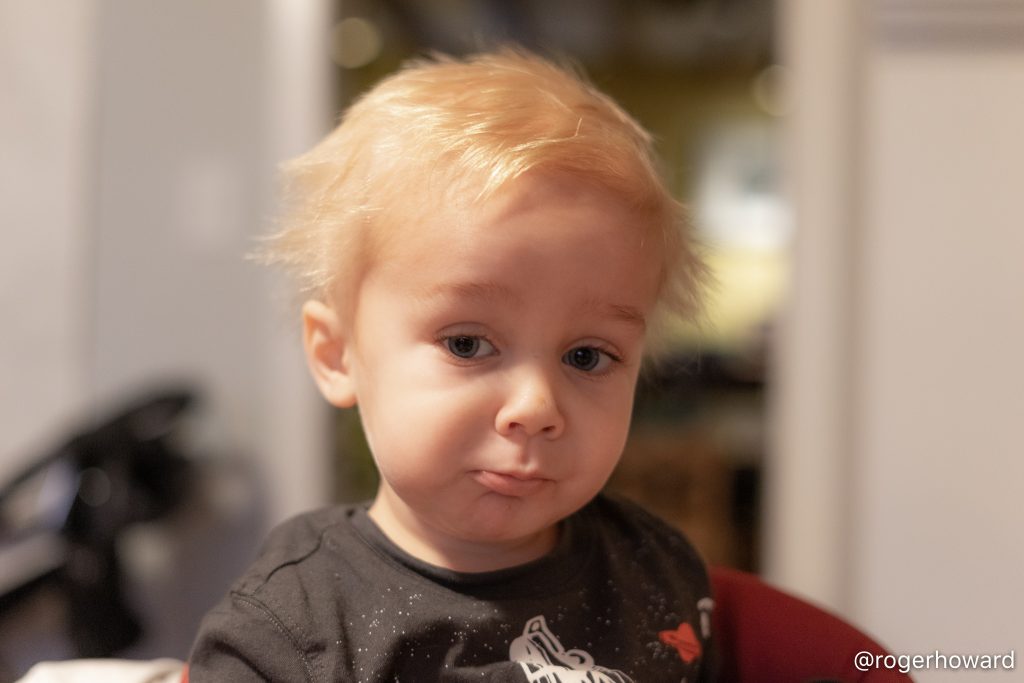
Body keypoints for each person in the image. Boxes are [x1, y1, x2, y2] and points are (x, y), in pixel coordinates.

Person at [189, 48, 714, 682]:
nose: (535, 408)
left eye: (586, 356)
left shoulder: (658, 571)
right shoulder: (292, 630)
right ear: (337, 356)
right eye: (467, 344)